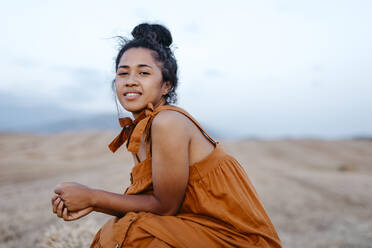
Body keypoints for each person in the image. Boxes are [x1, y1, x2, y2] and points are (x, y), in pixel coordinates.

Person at [51, 23, 282, 248]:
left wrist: (93, 197)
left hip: (234, 237)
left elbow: (164, 207)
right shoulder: (141, 129)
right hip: (194, 227)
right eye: (123, 73)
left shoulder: (168, 121)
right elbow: (145, 206)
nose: (130, 80)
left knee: (138, 235)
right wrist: (84, 202)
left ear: (166, 86)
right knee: (118, 230)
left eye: (143, 72)